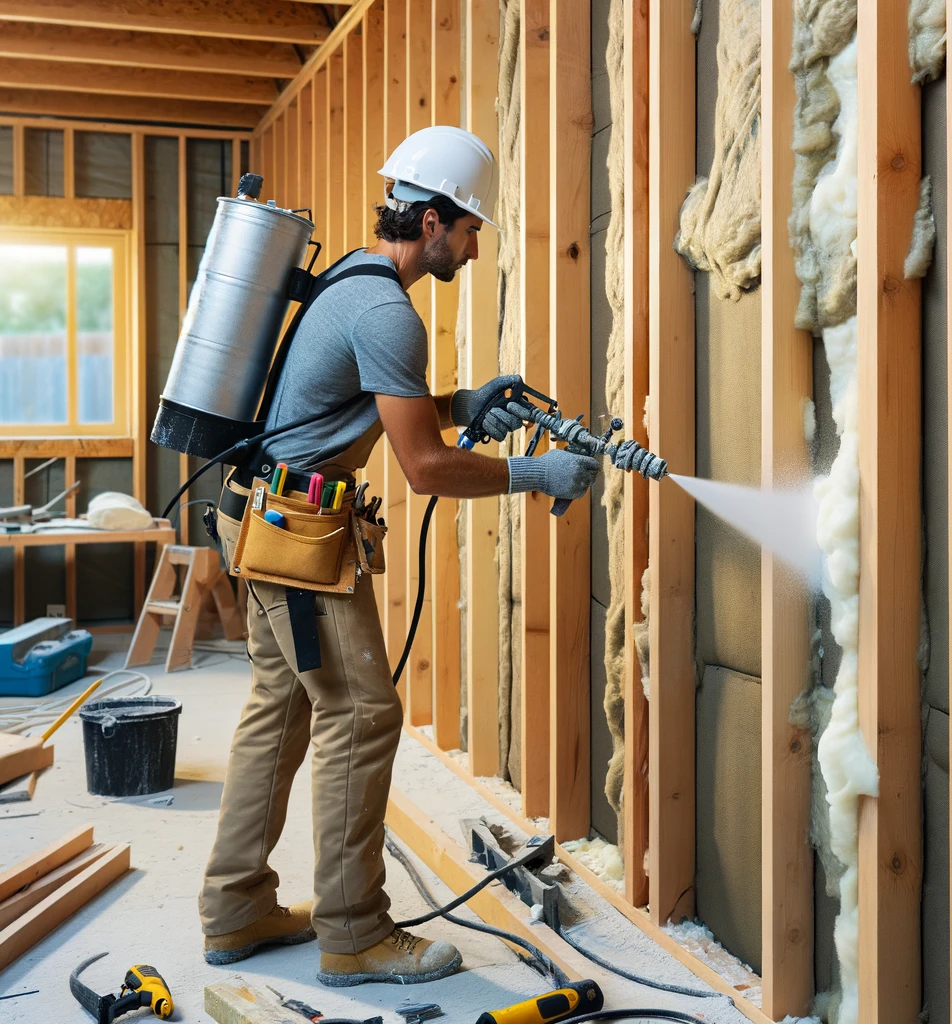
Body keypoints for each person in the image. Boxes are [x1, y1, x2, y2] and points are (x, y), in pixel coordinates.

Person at [198, 125, 600, 988]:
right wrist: (540, 470)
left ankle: (236, 910)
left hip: (255, 514)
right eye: (469, 227)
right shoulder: (389, 310)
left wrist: (464, 402)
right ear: (431, 221)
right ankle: (355, 933)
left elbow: (361, 408)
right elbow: (423, 468)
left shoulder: (353, 275)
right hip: (295, 538)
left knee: (284, 708)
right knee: (363, 716)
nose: (477, 242)